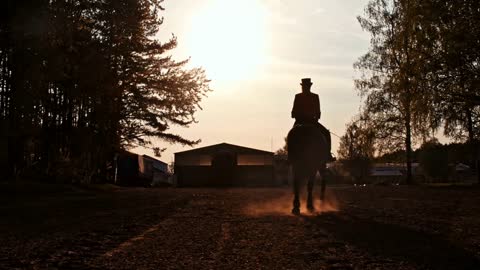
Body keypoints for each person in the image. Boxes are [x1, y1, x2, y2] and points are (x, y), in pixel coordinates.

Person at [291, 78, 333, 161]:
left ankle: (290, 156)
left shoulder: (299, 96)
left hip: (301, 122)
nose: (305, 88)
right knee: (326, 133)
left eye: (305, 86)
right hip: (311, 122)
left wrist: (298, 115)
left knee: (292, 135)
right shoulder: (314, 97)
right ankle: (328, 155)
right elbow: (318, 113)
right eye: (304, 86)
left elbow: (293, 113)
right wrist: (314, 118)